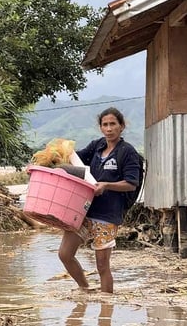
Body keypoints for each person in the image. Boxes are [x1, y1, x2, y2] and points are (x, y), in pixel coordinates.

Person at [58, 107, 140, 294]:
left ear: (122, 126)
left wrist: (106, 185)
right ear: (100, 127)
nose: (109, 128)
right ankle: (85, 288)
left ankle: (106, 310)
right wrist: (56, 161)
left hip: (107, 215)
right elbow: (76, 161)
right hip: (84, 211)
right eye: (105, 124)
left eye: (113, 124)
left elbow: (131, 183)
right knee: (65, 254)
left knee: (102, 266)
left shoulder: (127, 152)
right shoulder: (97, 146)